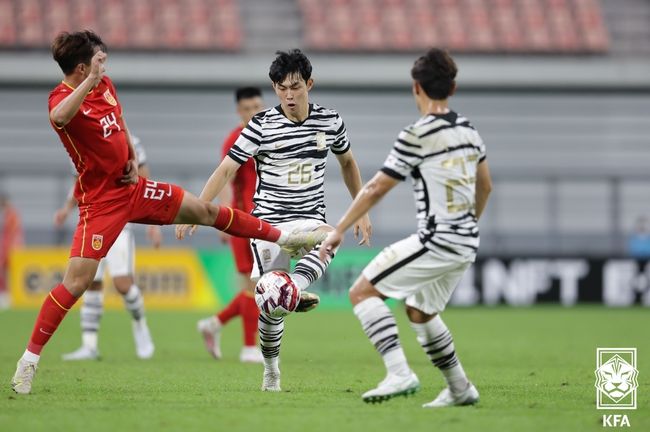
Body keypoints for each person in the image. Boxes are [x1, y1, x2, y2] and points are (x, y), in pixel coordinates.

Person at [11, 31, 324, 395]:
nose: (104, 66)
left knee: (205, 210)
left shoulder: (105, 84)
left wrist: (130, 157)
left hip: (135, 188)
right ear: (81, 68)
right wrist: (91, 81)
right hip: (100, 203)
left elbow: (121, 122)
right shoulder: (64, 96)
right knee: (77, 283)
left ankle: (286, 236)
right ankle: (28, 362)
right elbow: (59, 118)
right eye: (98, 62)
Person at [176, 49, 372, 392]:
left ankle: (294, 286)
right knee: (270, 308)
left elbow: (348, 164)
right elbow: (227, 168)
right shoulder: (262, 125)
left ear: (309, 84)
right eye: (282, 88)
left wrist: (362, 209)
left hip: (309, 219)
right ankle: (271, 370)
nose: (289, 95)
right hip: (269, 226)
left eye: (296, 86)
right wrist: (198, 207)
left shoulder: (330, 121)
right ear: (275, 88)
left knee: (332, 235)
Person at [319, 48, 493, 408]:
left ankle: (399, 373)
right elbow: (485, 186)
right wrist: (467, 225)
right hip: (466, 242)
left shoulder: (418, 134)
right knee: (420, 311)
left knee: (362, 293)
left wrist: (339, 228)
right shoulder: (468, 130)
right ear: (453, 88)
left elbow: (377, 187)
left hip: (438, 239)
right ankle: (460, 388)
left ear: (416, 88)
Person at [54, 135, 162, 360]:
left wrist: (153, 222)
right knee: (91, 283)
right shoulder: (80, 140)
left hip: (119, 222)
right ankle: (89, 345)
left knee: (123, 284)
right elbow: (80, 182)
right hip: (92, 222)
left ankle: (140, 326)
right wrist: (66, 208)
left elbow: (143, 179)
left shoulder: (127, 140)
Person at [196, 87, 265, 363]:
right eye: (248, 108)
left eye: (257, 107)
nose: (253, 113)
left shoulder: (271, 134)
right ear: (239, 111)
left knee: (263, 287)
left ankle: (213, 324)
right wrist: (225, 221)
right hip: (243, 220)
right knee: (252, 286)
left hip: (268, 220)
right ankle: (249, 348)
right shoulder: (234, 140)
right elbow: (225, 177)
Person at [0, 191, 24, 309]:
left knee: (7, 271)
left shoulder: (11, 214)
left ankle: (8, 295)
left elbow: (14, 233)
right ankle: (6, 294)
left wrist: (12, 247)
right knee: (5, 270)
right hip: (8, 246)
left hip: (10, 247)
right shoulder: (9, 214)